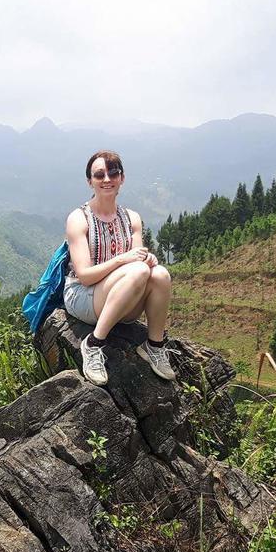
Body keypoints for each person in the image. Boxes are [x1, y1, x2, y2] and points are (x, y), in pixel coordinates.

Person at [63, 150, 175, 385]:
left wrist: (147, 259)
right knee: (139, 271)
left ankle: (154, 345)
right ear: (89, 181)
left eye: (113, 173)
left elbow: (138, 263)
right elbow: (84, 276)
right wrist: (124, 259)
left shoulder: (131, 218)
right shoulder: (79, 218)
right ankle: (93, 344)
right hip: (83, 296)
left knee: (160, 274)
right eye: (99, 174)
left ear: (122, 178)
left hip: (121, 296)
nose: (107, 179)